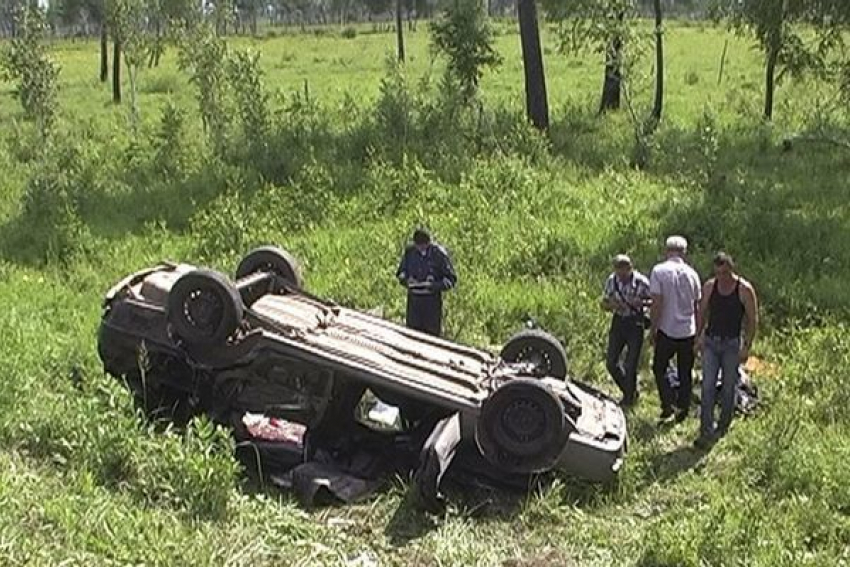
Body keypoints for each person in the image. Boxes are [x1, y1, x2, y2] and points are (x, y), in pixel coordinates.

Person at [694, 252, 759, 448]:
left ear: (731, 269)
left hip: (732, 344)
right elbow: (702, 312)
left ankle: (723, 425)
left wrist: (746, 346)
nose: (721, 277)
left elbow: (752, 319)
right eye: (718, 273)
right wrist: (698, 337)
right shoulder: (710, 287)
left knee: (729, 386)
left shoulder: (744, 289)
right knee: (707, 386)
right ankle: (706, 429)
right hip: (711, 342)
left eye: (724, 273)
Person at [649, 236, 702, 424]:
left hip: (667, 328)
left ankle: (668, 403)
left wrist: (653, 327)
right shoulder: (693, 274)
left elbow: (657, 303)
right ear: (684, 253)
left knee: (659, 367)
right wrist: (699, 333)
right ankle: (682, 408)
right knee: (685, 371)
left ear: (666, 251)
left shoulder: (659, 271)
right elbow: (697, 306)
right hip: (688, 330)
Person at [601, 254, 651, 407]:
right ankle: (630, 390)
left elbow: (654, 301)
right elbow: (604, 303)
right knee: (611, 362)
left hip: (635, 322)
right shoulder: (612, 281)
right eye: (618, 271)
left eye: (624, 270)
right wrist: (613, 305)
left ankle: (628, 399)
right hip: (619, 321)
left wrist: (640, 303)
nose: (621, 275)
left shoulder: (642, 282)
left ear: (630, 268)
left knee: (631, 363)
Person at [396, 229, 457, 337]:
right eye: (418, 246)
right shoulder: (410, 252)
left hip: (431, 305)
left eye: (424, 246)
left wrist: (434, 285)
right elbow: (400, 273)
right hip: (414, 304)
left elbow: (451, 279)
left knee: (431, 338)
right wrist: (406, 280)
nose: (421, 249)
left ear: (429, 243)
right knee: (412, 337)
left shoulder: (438, 254)